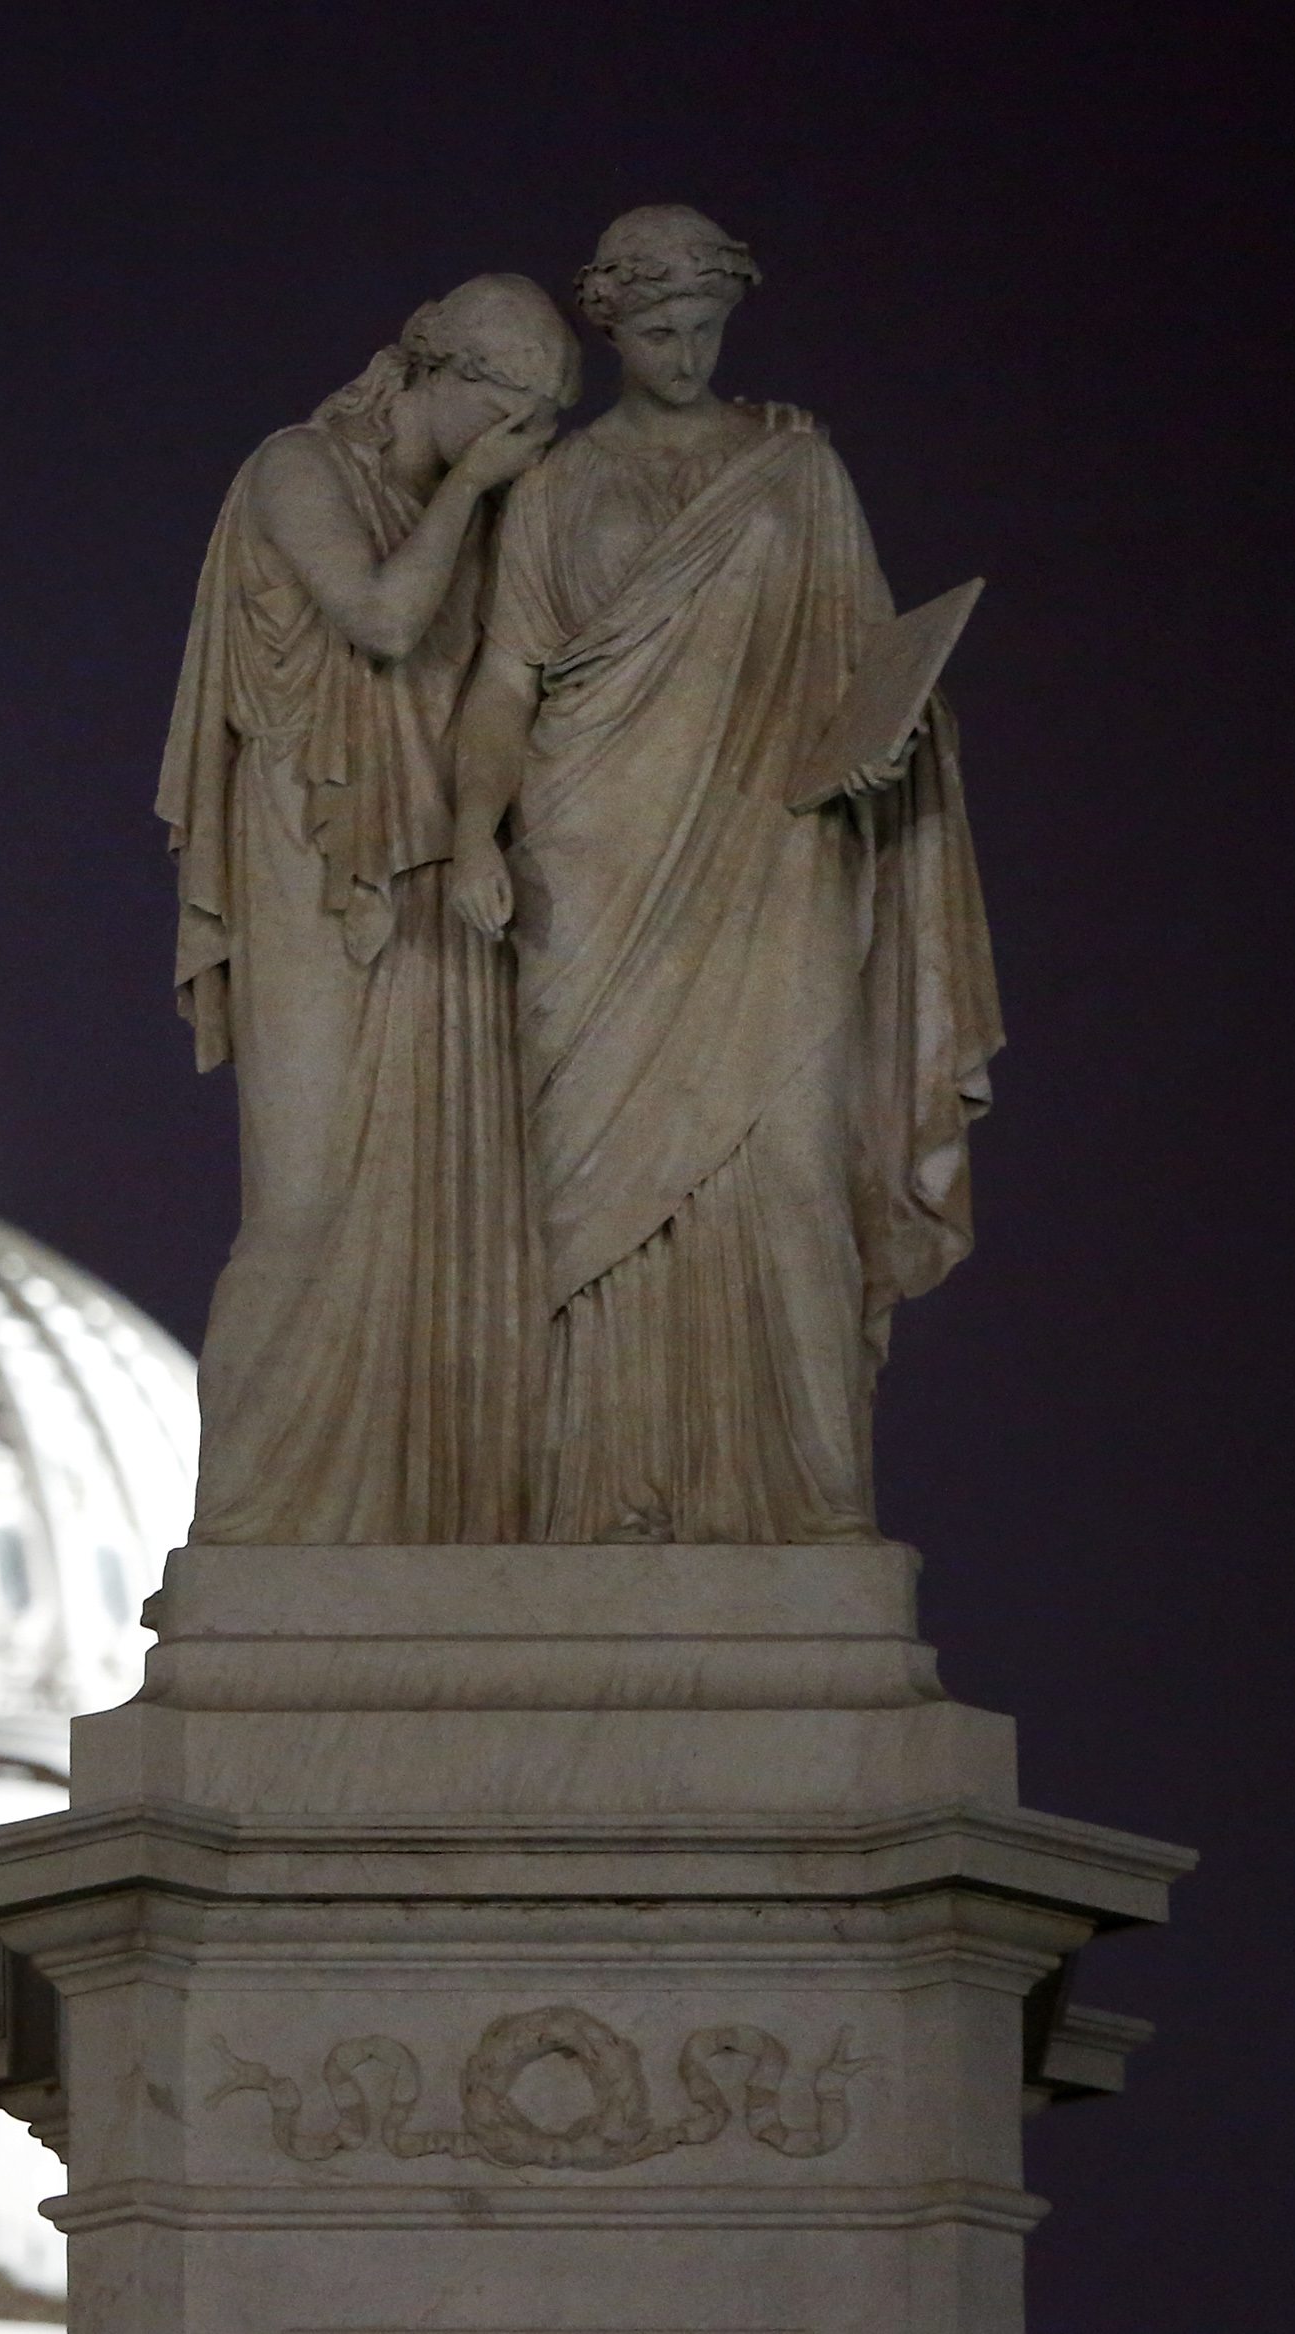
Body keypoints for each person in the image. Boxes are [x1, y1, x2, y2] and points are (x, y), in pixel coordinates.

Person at [451, 207, 1003, 1544]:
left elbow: (871, 666)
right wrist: (472, 834)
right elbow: (504, 683)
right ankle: (600, 1500)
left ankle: (802, 1499)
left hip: (773, 857)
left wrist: (889, 740)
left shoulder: (797, 475)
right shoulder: (559, 487)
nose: (686, 352)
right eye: (658, 330)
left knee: (791, 1165)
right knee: (587, 1194)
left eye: (705, 327)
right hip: (592, 863)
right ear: (611, 328)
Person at [158, 274, 582, 1543]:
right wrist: (468, 490)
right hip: (314, 859)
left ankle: (421, 1507)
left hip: (434, 882)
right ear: (442, 377)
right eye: (517, 411)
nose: (530, 444)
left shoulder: (480, 514)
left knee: (441, 1202)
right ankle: (252, 1522)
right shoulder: (298, 468)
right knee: (303, 1201)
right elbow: (383, 621)